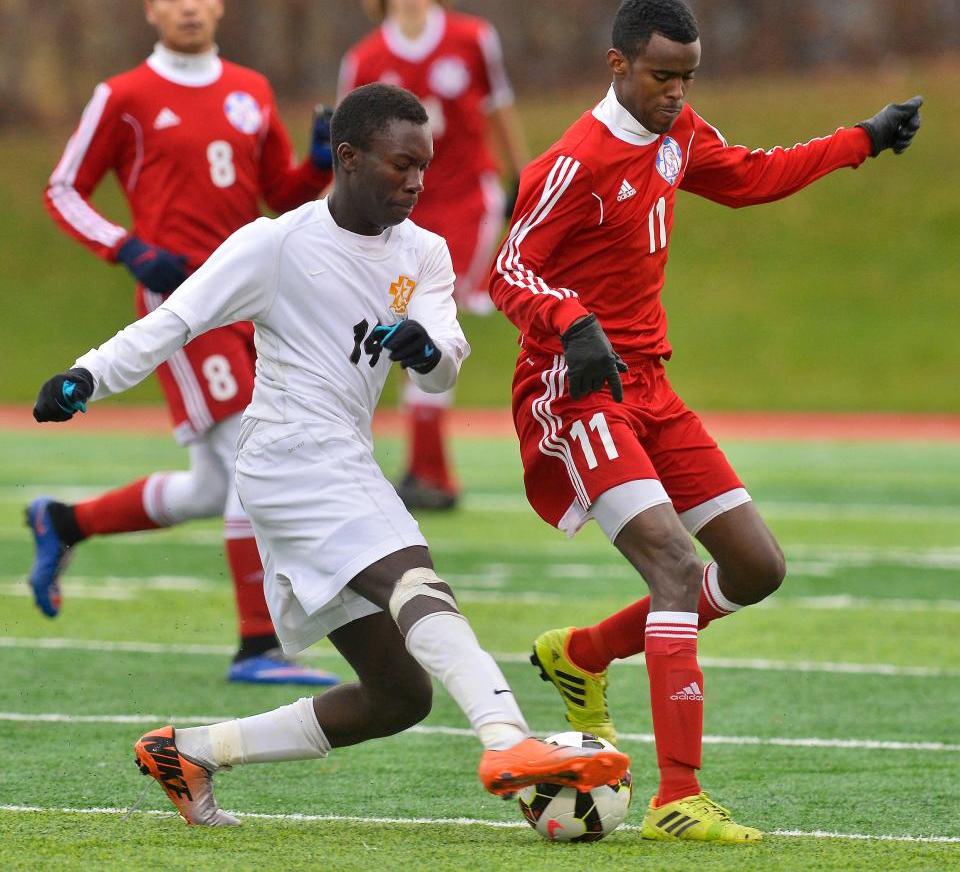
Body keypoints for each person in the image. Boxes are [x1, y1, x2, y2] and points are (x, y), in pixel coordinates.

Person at [31, 83, 631, 827]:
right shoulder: (274, 244)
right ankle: (507, 739)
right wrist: (86, 375)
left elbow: (447, 359)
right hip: (289, 453)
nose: (416, 181)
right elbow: (175, 322)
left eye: (425, 166)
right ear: (347, 159)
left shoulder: (427, 251)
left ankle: (189, 749)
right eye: (399, 165)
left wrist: (425, 349)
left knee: (397, 697)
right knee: (416, 575)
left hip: (338, 456)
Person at [489, 0, 922, 843]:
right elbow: (509, 270)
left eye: (688, 77)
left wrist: (861, 139)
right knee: (677, 571)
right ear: (618, 65)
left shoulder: (680, 134)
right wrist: (572, 325)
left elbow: (754, 175)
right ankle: (676, 798)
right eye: (662, 76)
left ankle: (582, 654)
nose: (677, 93)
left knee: (757, 567)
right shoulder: (574, 162)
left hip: (649, 384)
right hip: (572, 390)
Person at [26, 0, 338, 686]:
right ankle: (257, 647)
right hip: (184, 307)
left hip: (253, 298)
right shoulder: (124, 94)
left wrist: (319, 166)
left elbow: (278, 193)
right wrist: (128, 249)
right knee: (249, 462)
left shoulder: (250, 89)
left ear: (220, 1)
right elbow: (63, 188)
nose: (188, 4)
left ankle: (63, 521)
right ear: (151, 9)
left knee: (210, 484)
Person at [338, 0, 529, 510]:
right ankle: (428, 474)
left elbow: (500, 113)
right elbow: (345, 150)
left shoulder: (473, 39)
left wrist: (527, 183)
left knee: (433, 318)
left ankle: (429, 474)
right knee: (401, 327)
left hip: (467, 202)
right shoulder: (365, 58)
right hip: (399, 213)